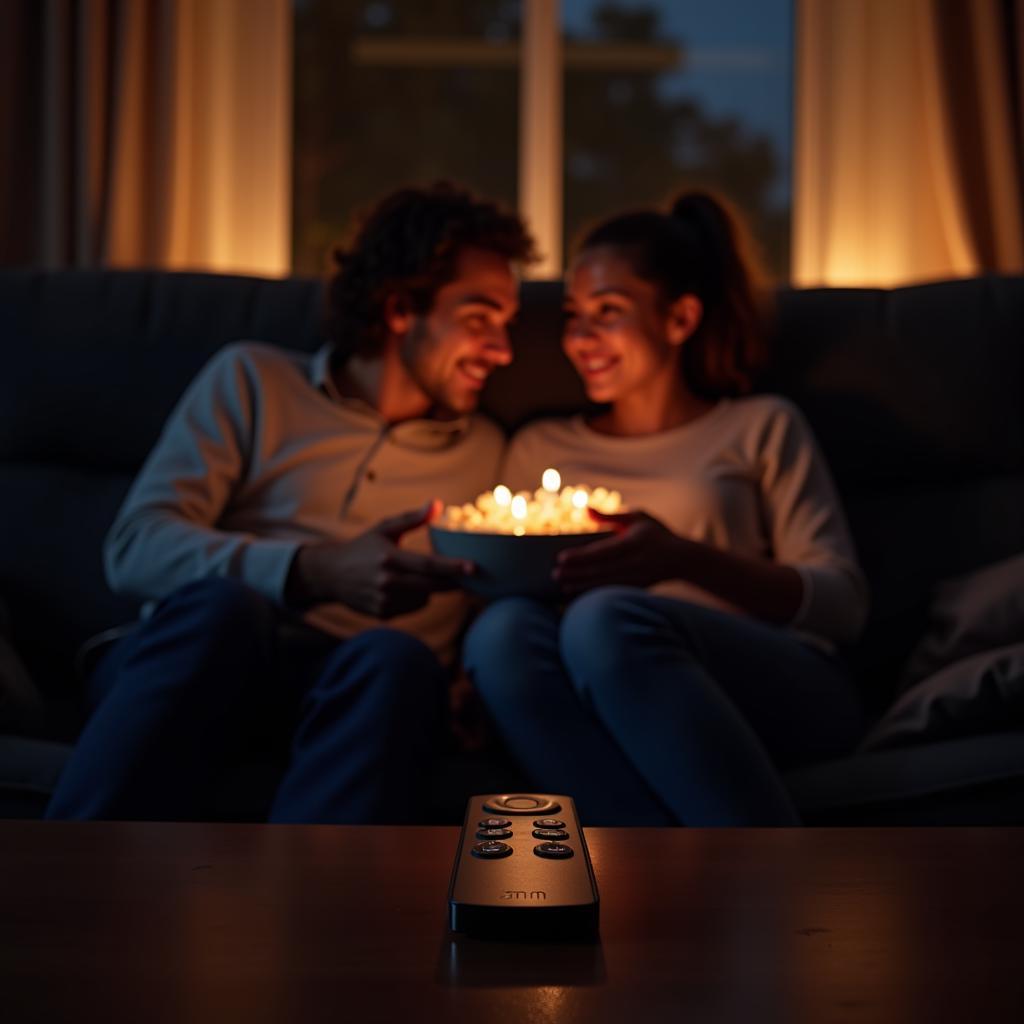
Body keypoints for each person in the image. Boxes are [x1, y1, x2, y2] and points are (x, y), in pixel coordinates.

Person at [46, 182, 536, 824]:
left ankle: (307, 919)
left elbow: (498, 591)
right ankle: (63, 890)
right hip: (211, 658)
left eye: (507, 325)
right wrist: (311, 569)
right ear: (398, 309)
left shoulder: (488, 451)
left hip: (357, 687)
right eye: (478, 321)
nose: (502, 352)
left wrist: (477, 674)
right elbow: (134, 547)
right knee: (223, 608)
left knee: (396, 659)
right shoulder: (254, 381)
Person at [463, 191, 867, 827]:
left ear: (680, 319)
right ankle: (647, 875)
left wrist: (679, 558)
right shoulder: (542, 446)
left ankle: (768, 868)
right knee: (500, 632)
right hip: (593, 682)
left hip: (771, 678)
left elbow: (842, 604)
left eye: (609, 312)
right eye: (573, 314)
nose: (581, 338)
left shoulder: (760, 427)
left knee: (606, 618)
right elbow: (515, 595)